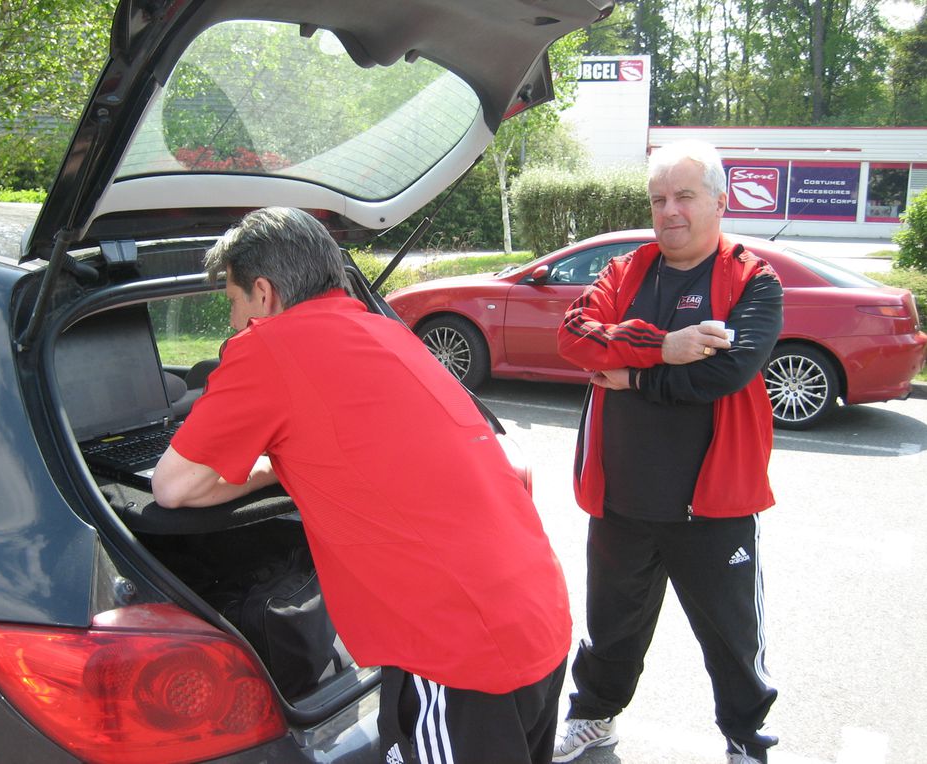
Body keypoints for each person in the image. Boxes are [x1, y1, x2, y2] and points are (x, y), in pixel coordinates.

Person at [152, 206, 571, 764]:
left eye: (232, 302)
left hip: (459, 654)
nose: (232, 323)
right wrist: (294, 460)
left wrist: (272, 464)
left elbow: (173, 487)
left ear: (264, 292)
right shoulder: (383, 330)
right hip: (535, 614)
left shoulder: (269, 346)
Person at [552, 140, 783, 764]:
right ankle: (595, 719)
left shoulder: (752, 279)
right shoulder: (626, 271)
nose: (669, 210)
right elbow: (574, 336)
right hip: (622, 500)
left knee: (733, 639)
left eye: (683, 196)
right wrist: (664, 346)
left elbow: (724, 374)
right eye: (659, 199)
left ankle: (745, 740)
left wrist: (630, 375)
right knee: (609, 631)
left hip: (714, 508)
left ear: (718, 199)